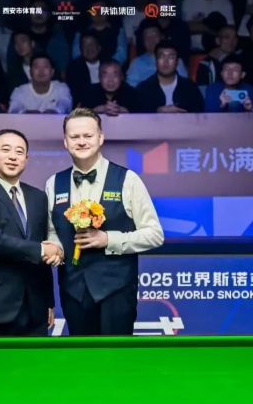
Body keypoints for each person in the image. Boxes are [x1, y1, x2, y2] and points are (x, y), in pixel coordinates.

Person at [45, 108, 164, 336]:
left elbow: (154, 234)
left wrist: (109, 239)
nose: (81, 141)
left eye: (88, 136)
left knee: (116, 356)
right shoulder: (53, 183)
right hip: (73, 290)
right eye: (74, 137)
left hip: (116, 289)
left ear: (100, 138)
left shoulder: (128, 180)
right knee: (81, 355)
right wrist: (56, 249)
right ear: (65, 142)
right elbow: (52, 231)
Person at [0, 129, 62, 336]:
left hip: (36, 307)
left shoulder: (38, 197)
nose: (13, 156)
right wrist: (41, 250)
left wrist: (48, 301)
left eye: (19, 151)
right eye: (5, 150)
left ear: (26, 159)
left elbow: (42, 243)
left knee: (37, 358)